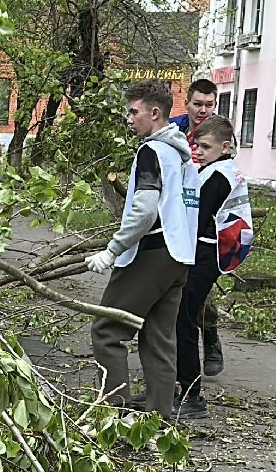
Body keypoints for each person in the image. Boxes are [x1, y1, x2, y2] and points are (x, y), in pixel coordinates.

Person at [83, 81, 198, 419]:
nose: (129, 119)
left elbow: (145, 211)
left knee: (107, 331)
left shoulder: (152, 152)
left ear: (155, 113)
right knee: (158, 339)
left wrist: (112, 250)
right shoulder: (181, 155)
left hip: (150, 253)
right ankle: (158, 421)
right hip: (178, 256)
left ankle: (113, 415)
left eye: (134, 112)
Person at [172, 117, 254, 419]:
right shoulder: (222, 170)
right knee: (180, 317)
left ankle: (191, 394)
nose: (199, 151)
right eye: (196, 145)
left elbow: (196, 217)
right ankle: (172, 386)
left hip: (205, 253)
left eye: (205, 147)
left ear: (225, 146)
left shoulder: (218, 176)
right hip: (207, 251)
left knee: (183, 319)